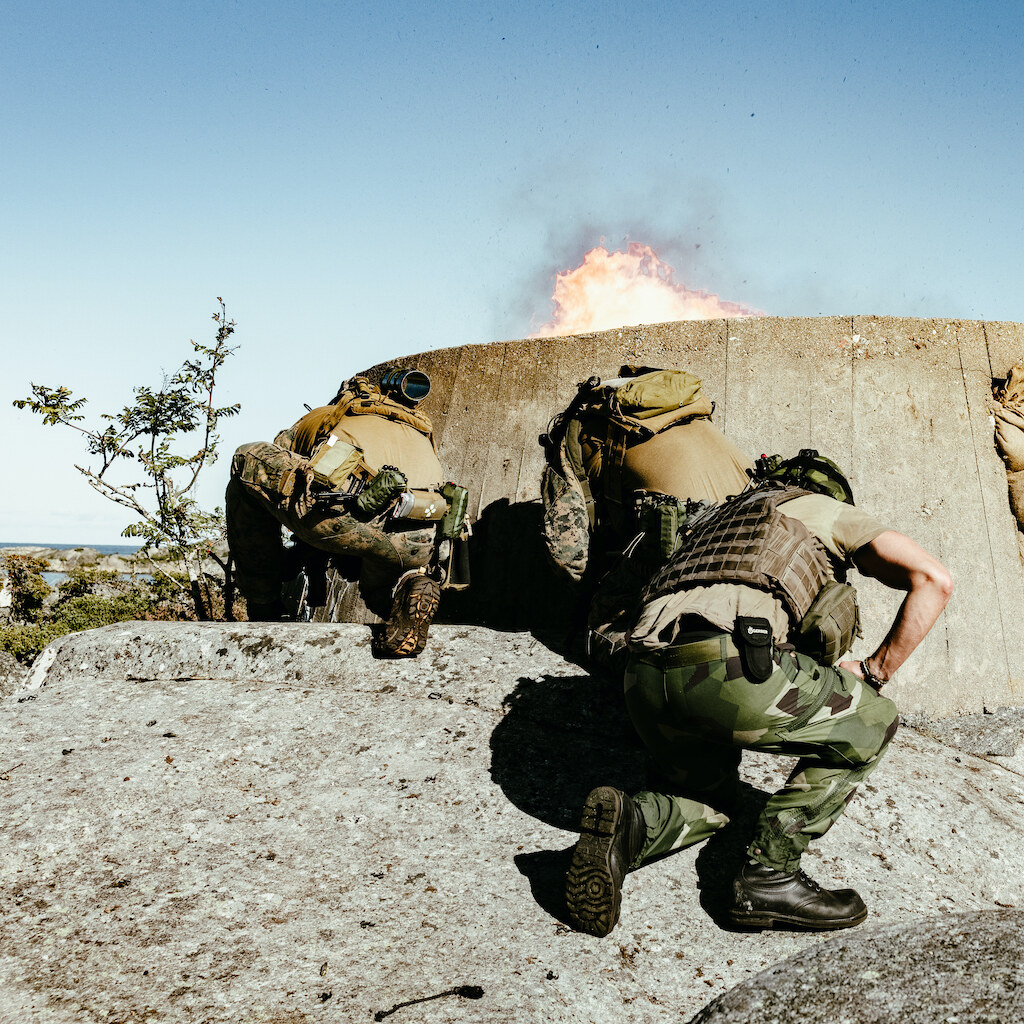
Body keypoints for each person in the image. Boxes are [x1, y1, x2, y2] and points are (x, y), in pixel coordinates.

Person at [565, 464, 953, 935]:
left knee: (706, 796)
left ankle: (631, 824)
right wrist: (876, 669)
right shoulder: (823, 511)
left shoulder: (710, 522)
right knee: (871, 720)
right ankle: (770, 875)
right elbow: (933, 579)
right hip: (722, 669)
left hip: (641, 676)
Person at [226, 371, 466, 657]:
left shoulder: (329, 415)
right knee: (380, 588)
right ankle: (408, 591)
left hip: (346, 518)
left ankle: (263, 601)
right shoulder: (421, 428)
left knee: (246, 461)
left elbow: (281, 464)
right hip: (421, 535)